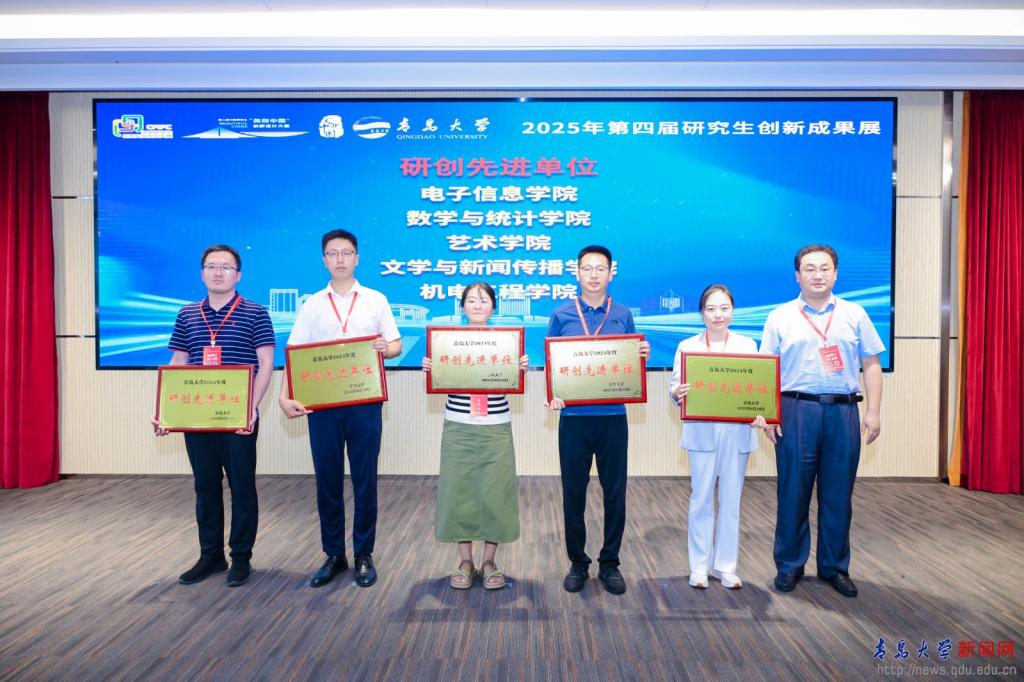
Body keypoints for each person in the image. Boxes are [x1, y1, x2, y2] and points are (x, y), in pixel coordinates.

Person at [759, 244, 884, 598]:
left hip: (843, 412)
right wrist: (769, 414)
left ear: (836, 273)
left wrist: (873, 411)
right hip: (795, 410)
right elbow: (766, 370)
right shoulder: (779, 316)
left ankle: (834, 567)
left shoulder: (854, 314)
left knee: (838, 495)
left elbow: (871, 365)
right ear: (797, 275)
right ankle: (789, 565)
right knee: (792, 492)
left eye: (824, 268)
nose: (817, 275)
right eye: (810, 269)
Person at [279, 229, 402, 589]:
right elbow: (294, 353)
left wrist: (386, 348)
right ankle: (334, 554)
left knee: (365, 479)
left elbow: (395, 344)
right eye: (332, 253)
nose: (340, 259)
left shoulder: (376, 299)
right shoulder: (312, 304)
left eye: (346, 253)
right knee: (327, 480)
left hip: (364, 402)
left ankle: (364, 553)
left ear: (357, 258)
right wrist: (284, 397)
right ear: (324, 260)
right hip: (323, 405)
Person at [153, 244, 275, 587]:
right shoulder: (187, 314)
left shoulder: (256, 312)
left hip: (237, 416)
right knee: (205, 487)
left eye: (225, 267)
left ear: (238, 274)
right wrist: (165, 410)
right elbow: (178, 362)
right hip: (198, 416)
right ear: (202, 273)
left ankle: (241, 557)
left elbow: (265, 364)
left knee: (241, 487)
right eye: (211, 266)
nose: (218, 272)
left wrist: (251, 407)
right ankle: (210, 556)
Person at [546, 245, 650, 595]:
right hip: (574, 418)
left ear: (610, 273)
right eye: (587, 268)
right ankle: (578, 562)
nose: (593, 274)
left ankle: (610, 563)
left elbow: (631, 363)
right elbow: (552, 364)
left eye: (600, 268)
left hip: (613, 417)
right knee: (573, 493)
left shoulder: (623, 314)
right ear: (577, 272)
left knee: (615, 493)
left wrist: (641, 355)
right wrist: (554, 393)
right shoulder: (561, 314)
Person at [421, 282, 528, 590]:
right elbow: (440, 379)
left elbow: (512, 381)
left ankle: (490, 562)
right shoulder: (447, 342)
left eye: (484, 300)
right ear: (462, 307)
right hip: (458, 426)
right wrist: (431, 367)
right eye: (471, 300)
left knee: (497, 493)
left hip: (496, 425)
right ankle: (465, 561)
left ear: (493, 306)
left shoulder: (507, 342)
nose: (478, 305)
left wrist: (520, 367)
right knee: (460, 492)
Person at [669, 284, 762, 590]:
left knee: (731, 500)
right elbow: (674, 389)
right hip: (702, 432)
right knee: (701, 499)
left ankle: (726, 567)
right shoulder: (687, 346)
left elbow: (758, 388)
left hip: (737, 432)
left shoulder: (748, 346)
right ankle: (699, 566)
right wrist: (678, 392)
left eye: (724, 308)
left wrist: (762, 411)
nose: (718, 314)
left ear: (732, 311)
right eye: (711, 309)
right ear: (702, 313)